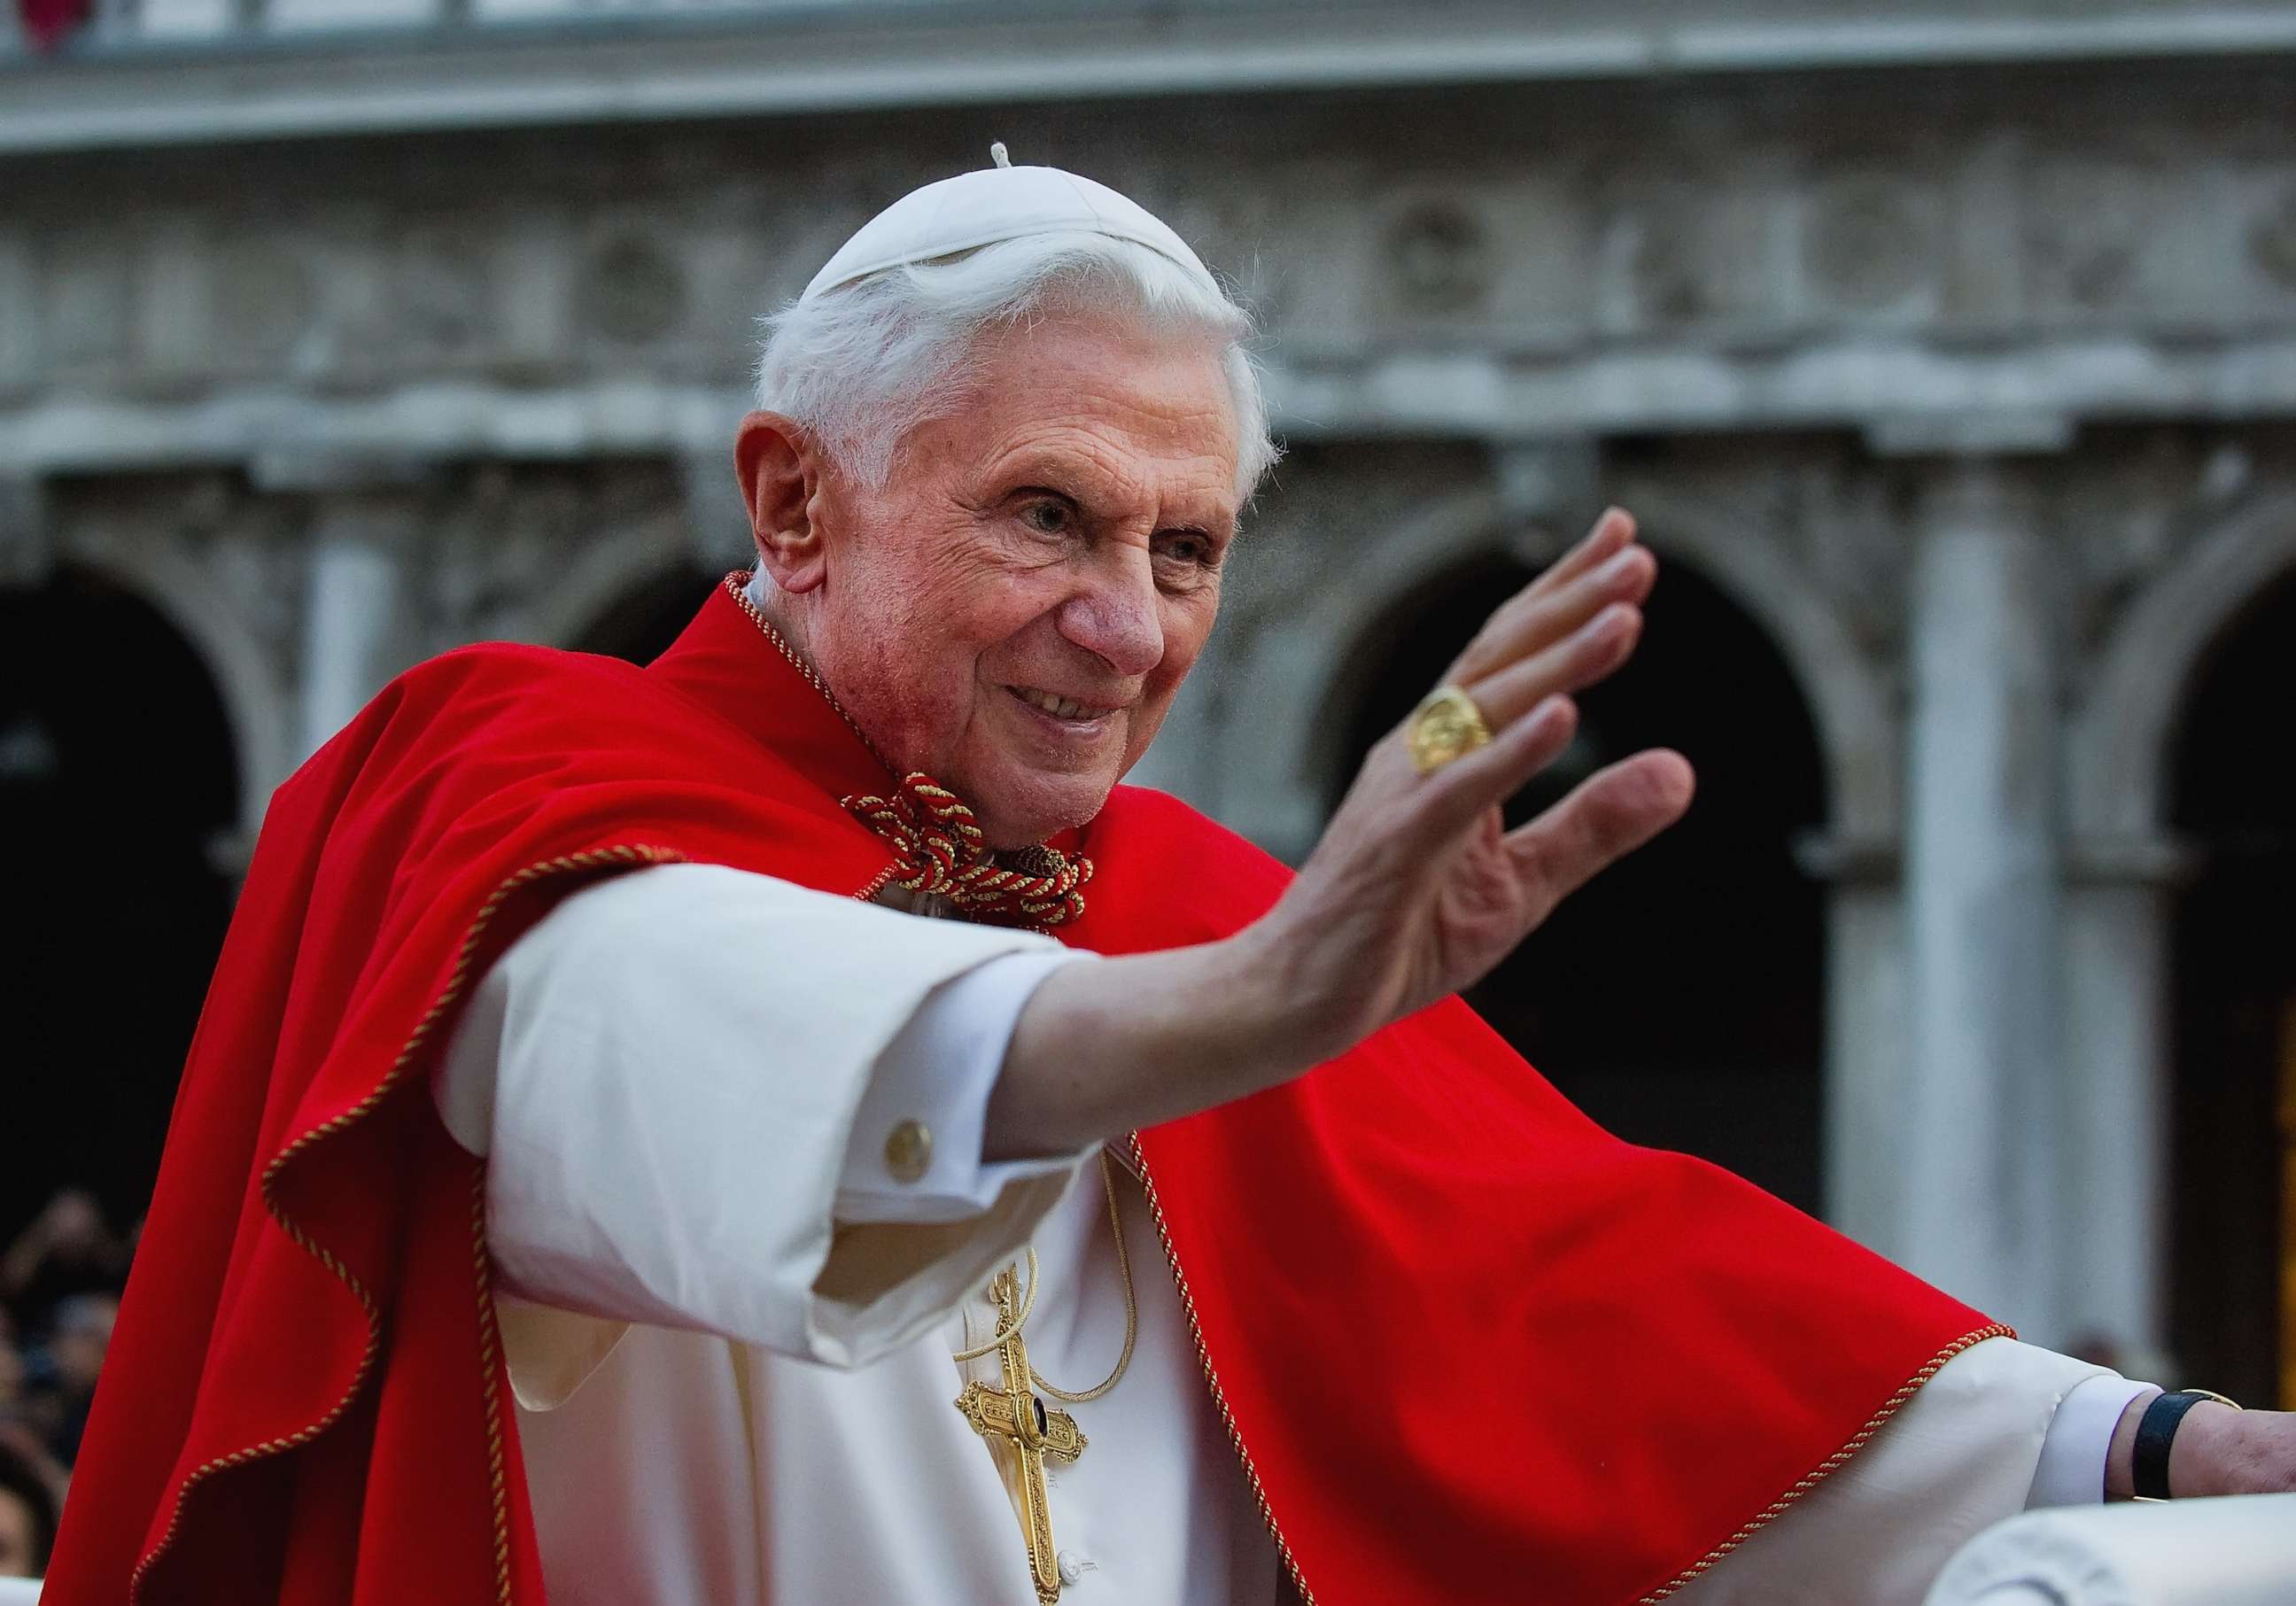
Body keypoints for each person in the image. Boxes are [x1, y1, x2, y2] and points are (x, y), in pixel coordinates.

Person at [43, 154, 2296, 1605]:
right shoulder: (517, 792)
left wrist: (2170, 1442)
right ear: (795, 501)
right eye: (1047, 513)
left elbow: (1591, 1304)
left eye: (1185, 544)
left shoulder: (1202, 903)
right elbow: (669, 1048)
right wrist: (1249, 1004)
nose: (1127, 626)